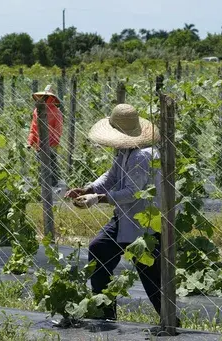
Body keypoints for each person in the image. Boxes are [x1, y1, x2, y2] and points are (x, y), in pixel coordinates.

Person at [65, 103, 165, 322]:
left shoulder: (143, 156)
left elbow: (132, 192)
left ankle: (171, 324)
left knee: (150, 277)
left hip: (144, 225)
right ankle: (105, 313)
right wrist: (89, 189)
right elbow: (111, 176)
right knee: (99, 248)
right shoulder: (125, 151)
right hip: (123, 218)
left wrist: (98, 199)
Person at [27, 85, 63, 187]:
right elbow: (34, 127)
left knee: (52, 163)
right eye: (43, 96)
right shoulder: (37, 111)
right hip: (40, 143)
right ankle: (43, 186)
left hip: (51, 143)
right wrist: (30, 141)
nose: (44, 98)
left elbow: (58, 129)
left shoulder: (56, 111)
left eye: (47, 96)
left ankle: (54, 186)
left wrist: (53, 141)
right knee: (41, 164)